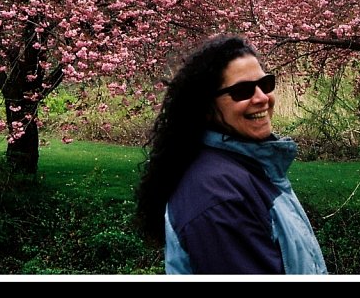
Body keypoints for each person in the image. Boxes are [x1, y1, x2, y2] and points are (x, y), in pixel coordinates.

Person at [136, 34, 328, 275]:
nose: (261, 98)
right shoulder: (219, 196)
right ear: (206, 108)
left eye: (265, 84)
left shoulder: (252, 168)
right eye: (242, 91)